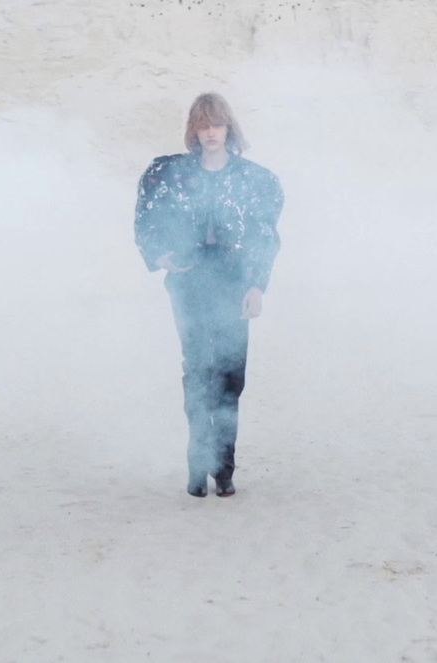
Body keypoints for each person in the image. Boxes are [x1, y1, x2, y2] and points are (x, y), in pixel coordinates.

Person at [134, 92, 284, 498]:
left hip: (234, 285)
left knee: (231, 377)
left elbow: (265, 236)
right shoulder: (170, 174)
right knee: (199, 372)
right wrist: (159, 253)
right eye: (202, 125)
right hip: (192, 283)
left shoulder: (255, 180)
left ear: (228, 128)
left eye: (216, 124)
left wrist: (257, 286)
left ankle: (225, 468)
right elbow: (146, 216)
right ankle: (198, 463)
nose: (210, 132)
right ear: (193, 131)